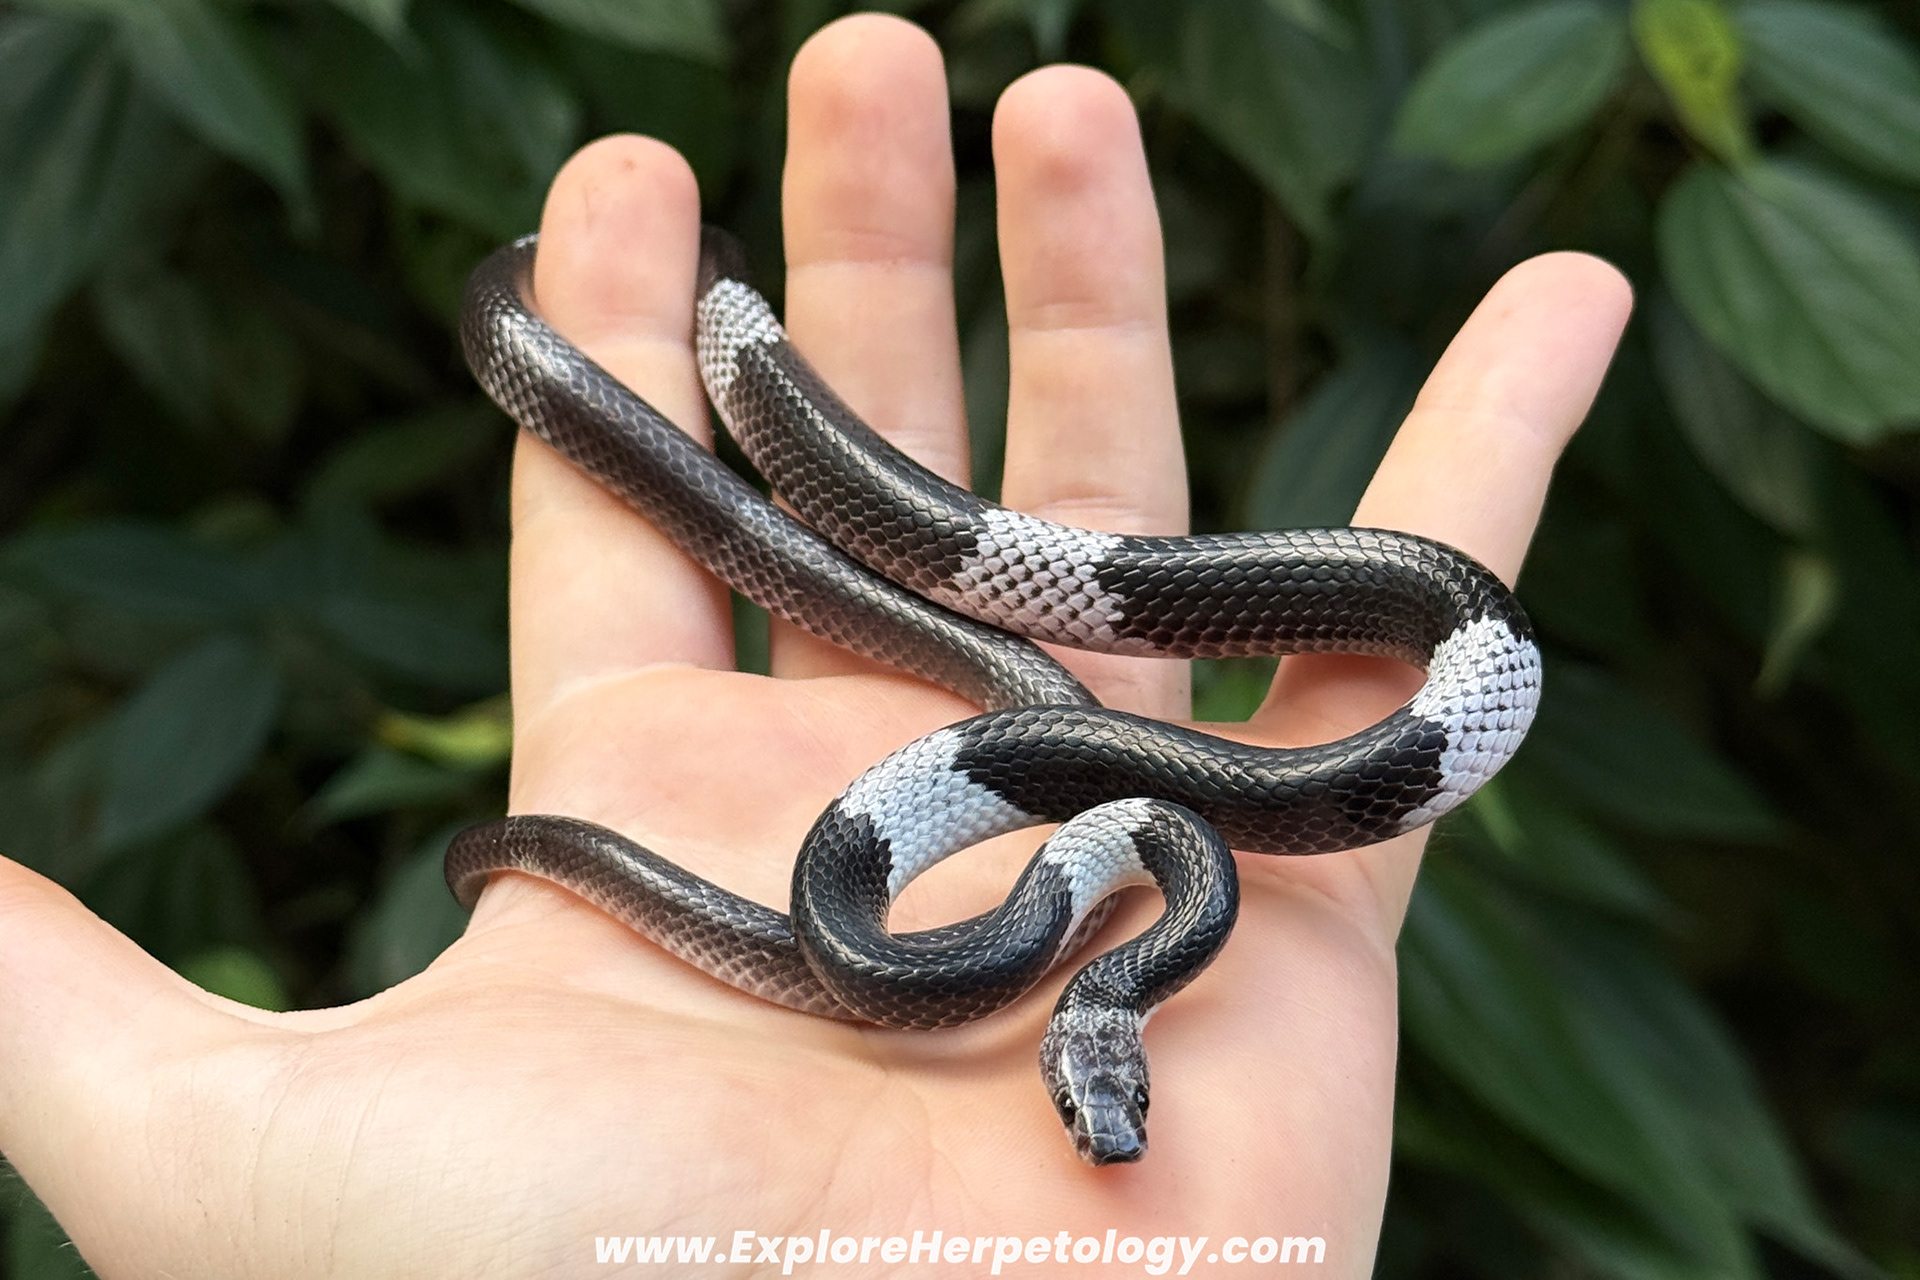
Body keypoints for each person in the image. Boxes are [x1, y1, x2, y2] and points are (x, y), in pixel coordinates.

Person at [0, 14, 1631, 1278]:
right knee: (986, 667)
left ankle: (706, 326)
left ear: (1090, 1021)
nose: (1096, 1117)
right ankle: (690, 310)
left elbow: (1126, 814)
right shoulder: (1163, 865)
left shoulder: (1155, 870)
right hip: (1079, 800)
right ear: (1110, 1024)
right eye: (1098, 1088)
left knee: (1046, 713)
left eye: (1080, 1096)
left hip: (1119, 794)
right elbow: (1119, 809)